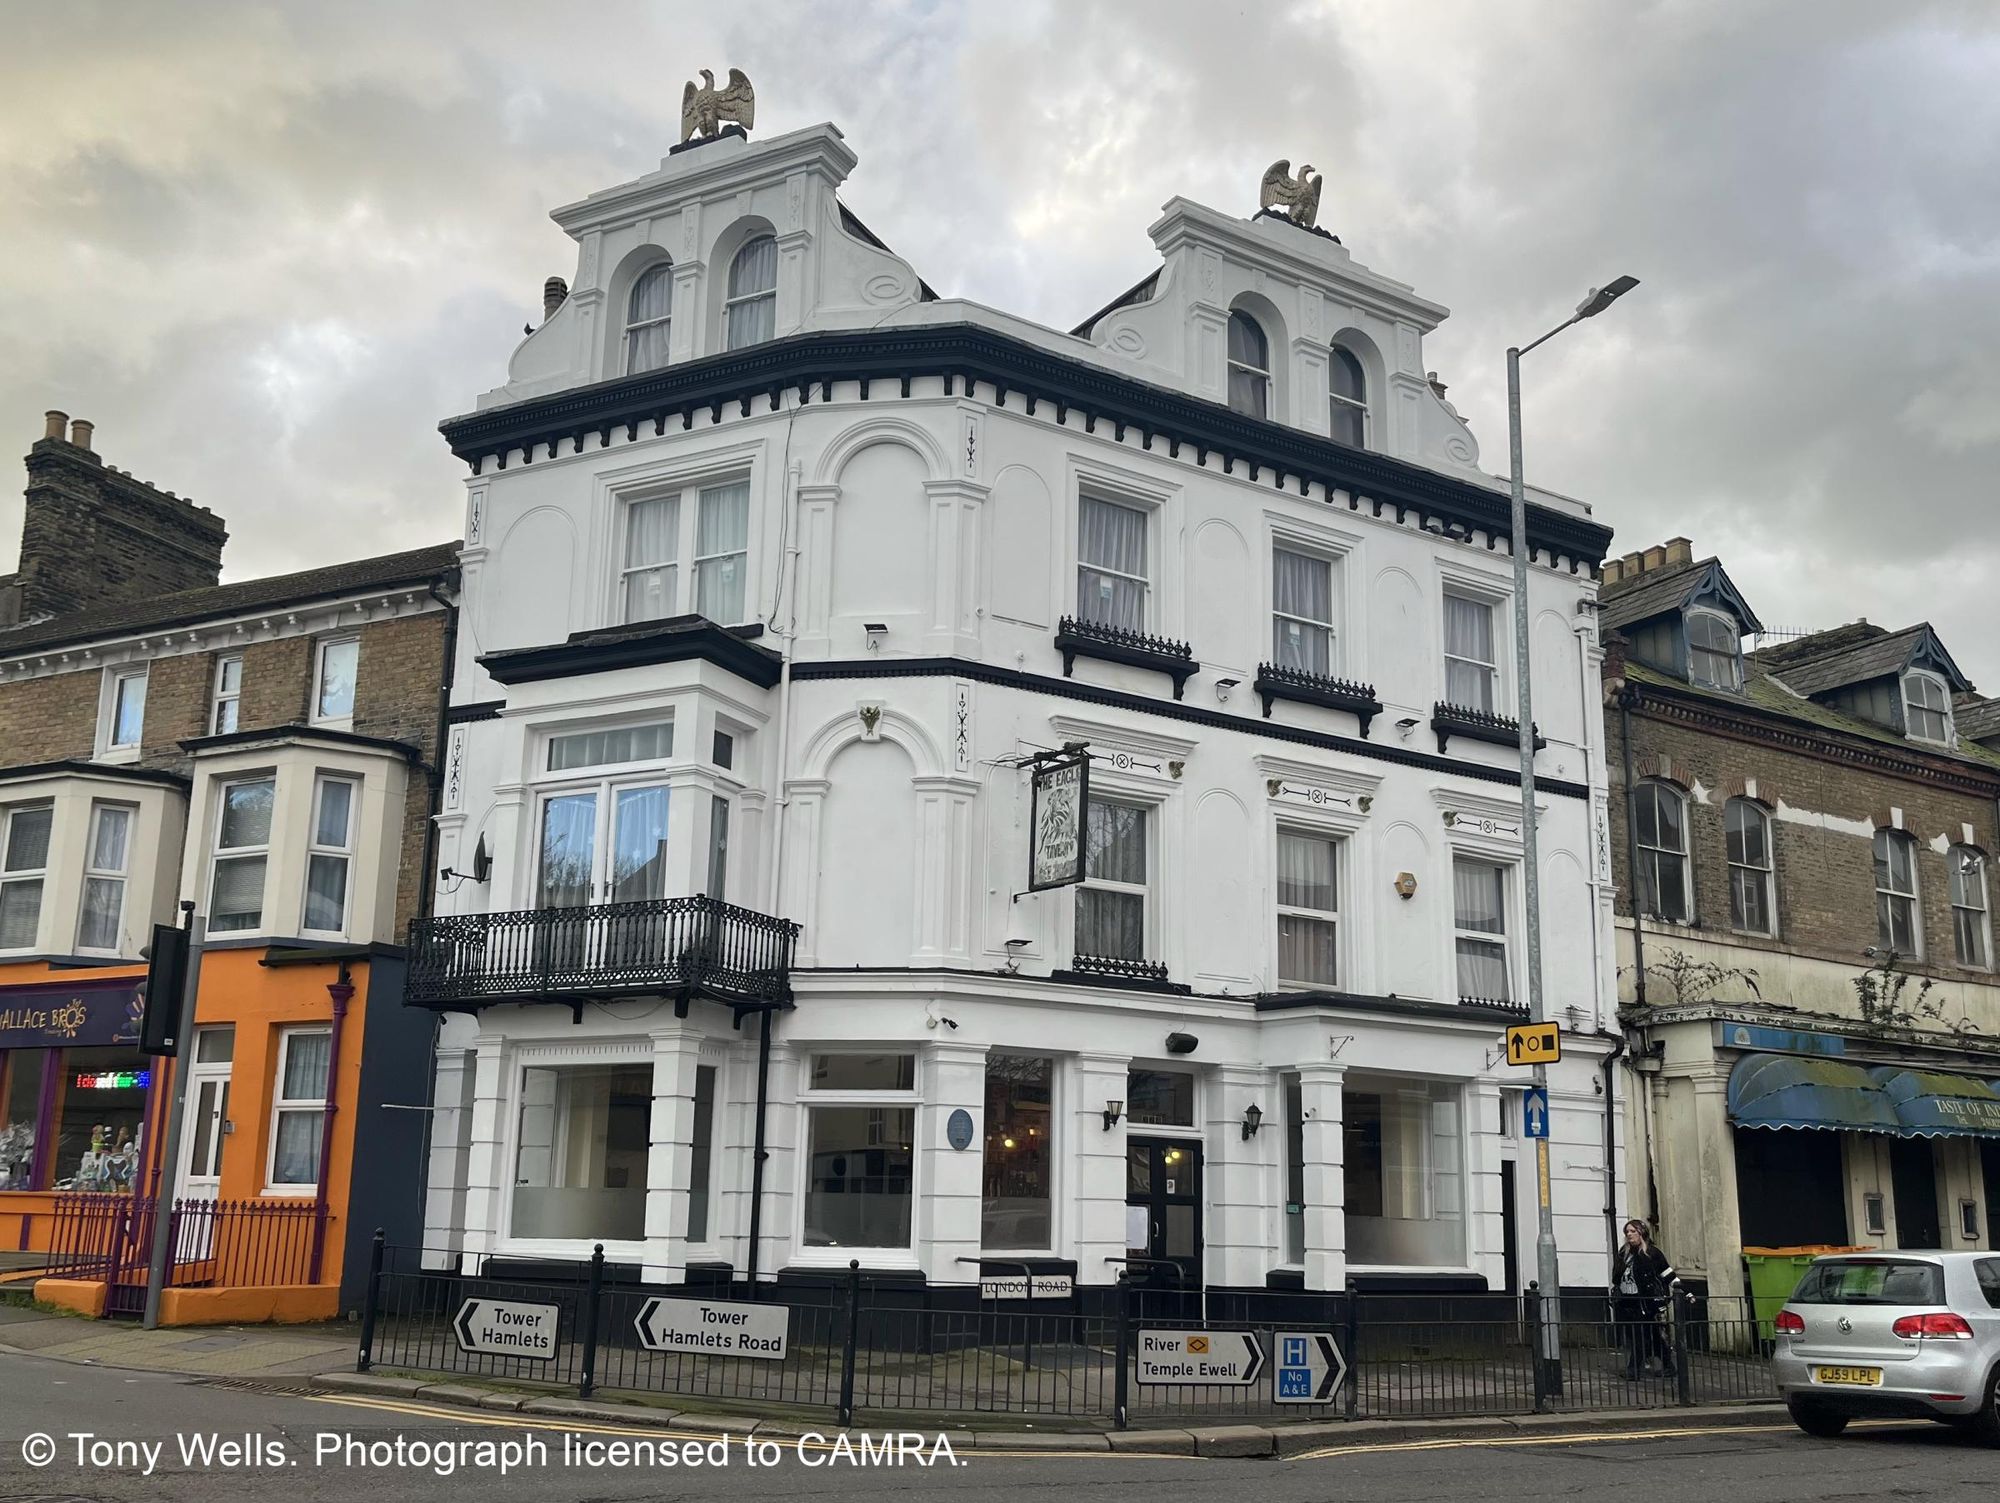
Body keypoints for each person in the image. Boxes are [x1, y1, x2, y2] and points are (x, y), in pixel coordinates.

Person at [1611, 1217, 1677, 1380]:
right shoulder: (1623, 1253)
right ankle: (1669, 1366)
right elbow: (1617, 1276)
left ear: (1641, 1233)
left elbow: (1667, 1272)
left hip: (1645, 1302)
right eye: (1627, 1232)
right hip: (1627, 1301)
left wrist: (1684, 1291)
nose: (1629, 1234)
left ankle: (1633, 1370)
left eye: (1633, 1231)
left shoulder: (1652, 1253)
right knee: (1652, 1336)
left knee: (1639, 1336)